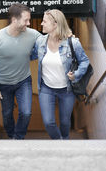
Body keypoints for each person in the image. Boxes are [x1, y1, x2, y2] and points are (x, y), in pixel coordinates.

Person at [32, 9, 89, 139]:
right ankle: (60, 143)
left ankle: (65, 138)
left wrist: (76, 74)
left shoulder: (73, 43)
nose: (41, 24)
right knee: (48, 123)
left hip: (67, 90)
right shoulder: (40, 42)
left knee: (64, 122)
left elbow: (84, 61)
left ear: (55, 24)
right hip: (46, 89)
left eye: (45, 21)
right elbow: (30, 55)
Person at [0, 3, 40, 139]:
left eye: (29, 20)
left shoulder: (33, 34)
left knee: (26, 113)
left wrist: (67, 38)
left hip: (24, 81)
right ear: (14, 20)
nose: (28, 23)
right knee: (7, 114)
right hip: (4, 84)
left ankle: (18, 138)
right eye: (26, 20)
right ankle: (11, 136)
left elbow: (48, 42)